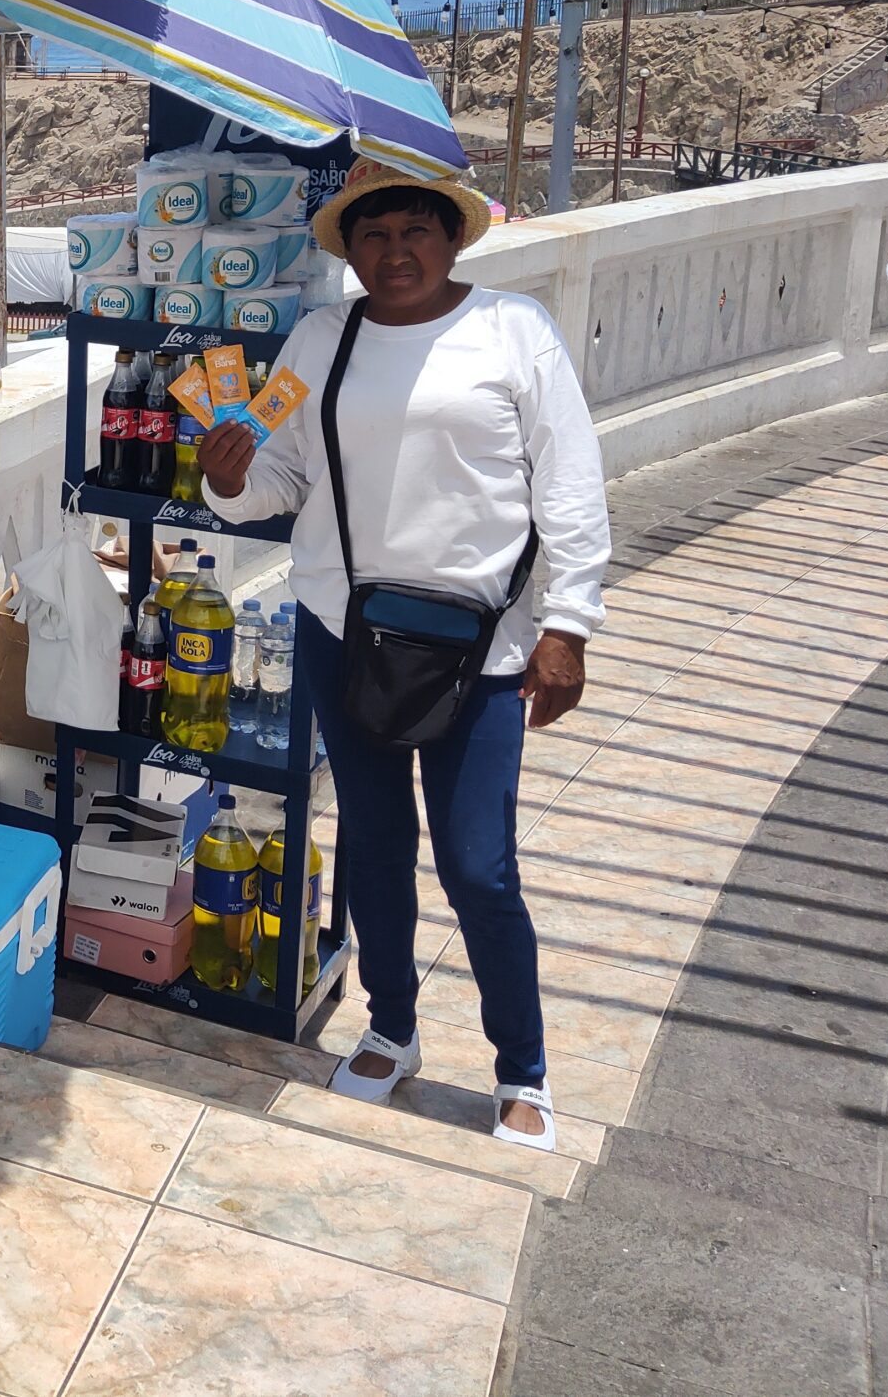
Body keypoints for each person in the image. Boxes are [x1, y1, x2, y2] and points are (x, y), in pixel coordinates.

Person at [196, 161, 608, 1152]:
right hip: (350, 632)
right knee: (375, 848)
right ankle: (391, 1026)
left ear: (452, 238)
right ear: (352, 249)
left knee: (478, 866)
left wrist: (570, 624)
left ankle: (522, 1065)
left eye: (415, 230)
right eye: (373, 234)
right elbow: (280, 477)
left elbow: (570, 482)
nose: (395, 252)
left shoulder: (514, 332)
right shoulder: (320, 338)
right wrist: (224, 481)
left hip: (481, 648)